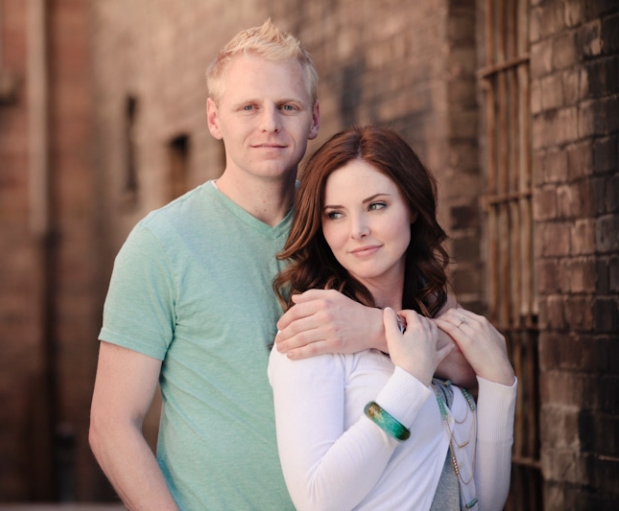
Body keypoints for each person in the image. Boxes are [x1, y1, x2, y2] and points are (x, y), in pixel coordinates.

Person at [89, 20, 473, 510]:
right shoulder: (161, 244)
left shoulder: (344, 230)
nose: (269, 123)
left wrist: (373, 330)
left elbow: (470, 364)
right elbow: (112, 425)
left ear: (313, 119)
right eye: (248, 106)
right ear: (213, 118)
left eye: (286, 106)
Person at [268, 126, 517, 511]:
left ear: (411, 207)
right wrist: (409, 383)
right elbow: (317, 500)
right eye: (336, 214)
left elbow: (485, 500)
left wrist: (499, 384)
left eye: (376, 205)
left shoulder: (436, 317)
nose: (358, 231)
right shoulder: (314, 336)